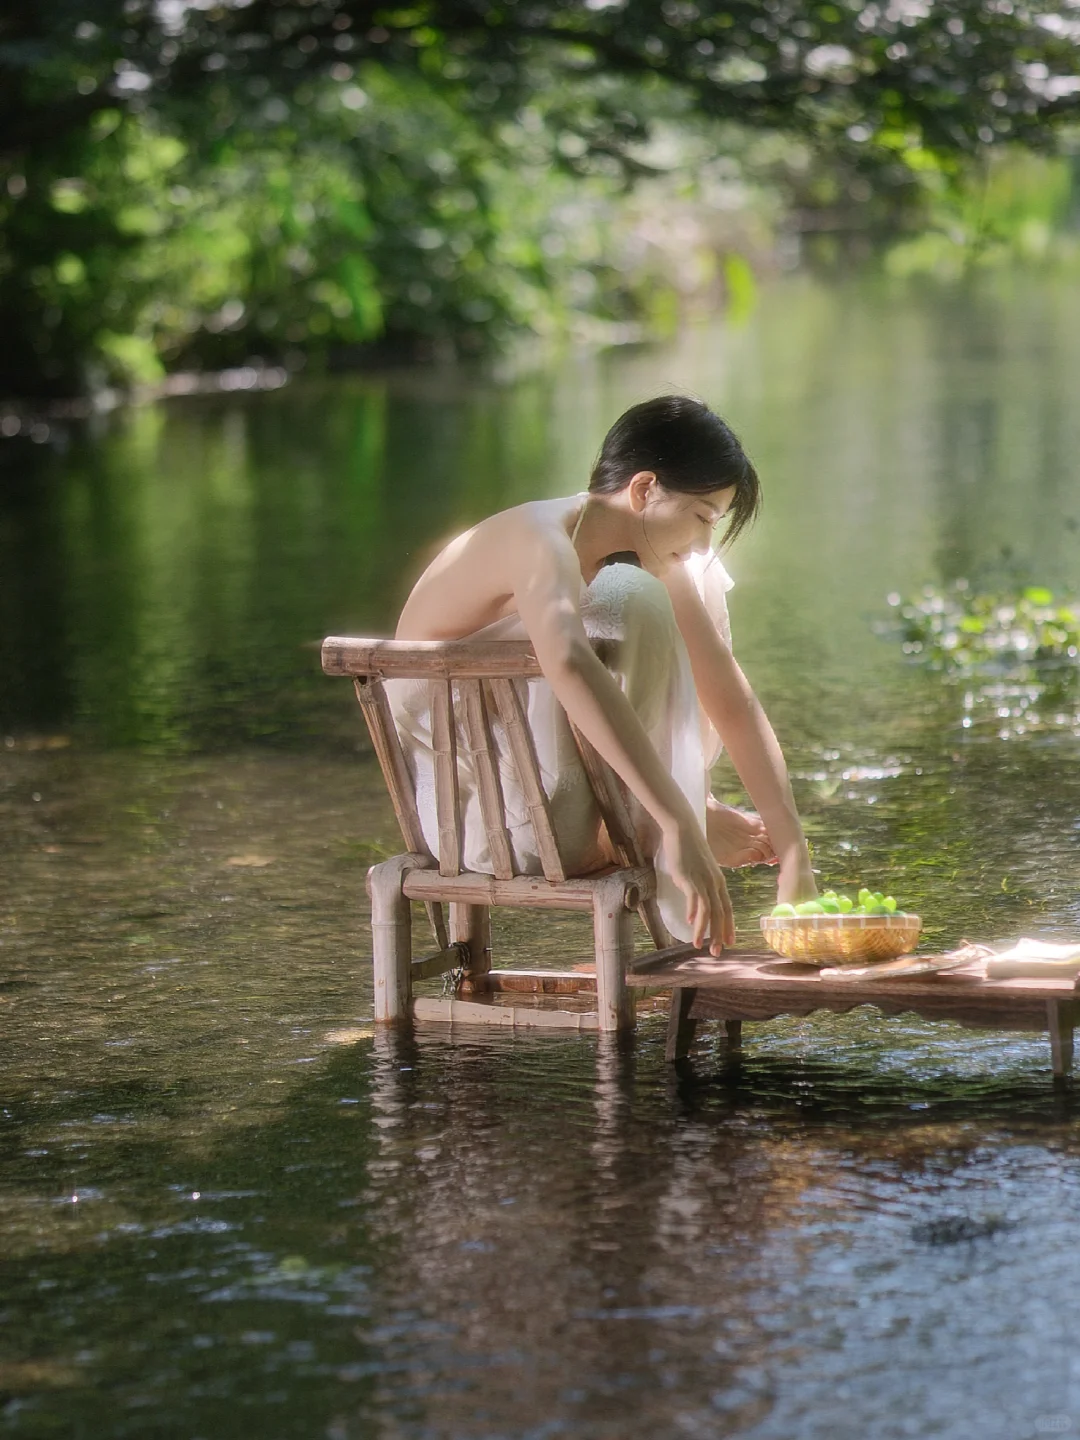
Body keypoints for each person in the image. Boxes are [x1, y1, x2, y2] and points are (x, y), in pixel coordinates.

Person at [392, 394, 817, 955]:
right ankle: (668, 812)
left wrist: (794, 853)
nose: (702, 540)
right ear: (643, 489)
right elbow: (568, 667)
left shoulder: (639, 550)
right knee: (633, 597)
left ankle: (678, 803)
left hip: (560, 792)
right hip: (492, 820)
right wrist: (679, 824)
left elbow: (727, 693)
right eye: (700, 517)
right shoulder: (538, 540)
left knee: (699, 580)